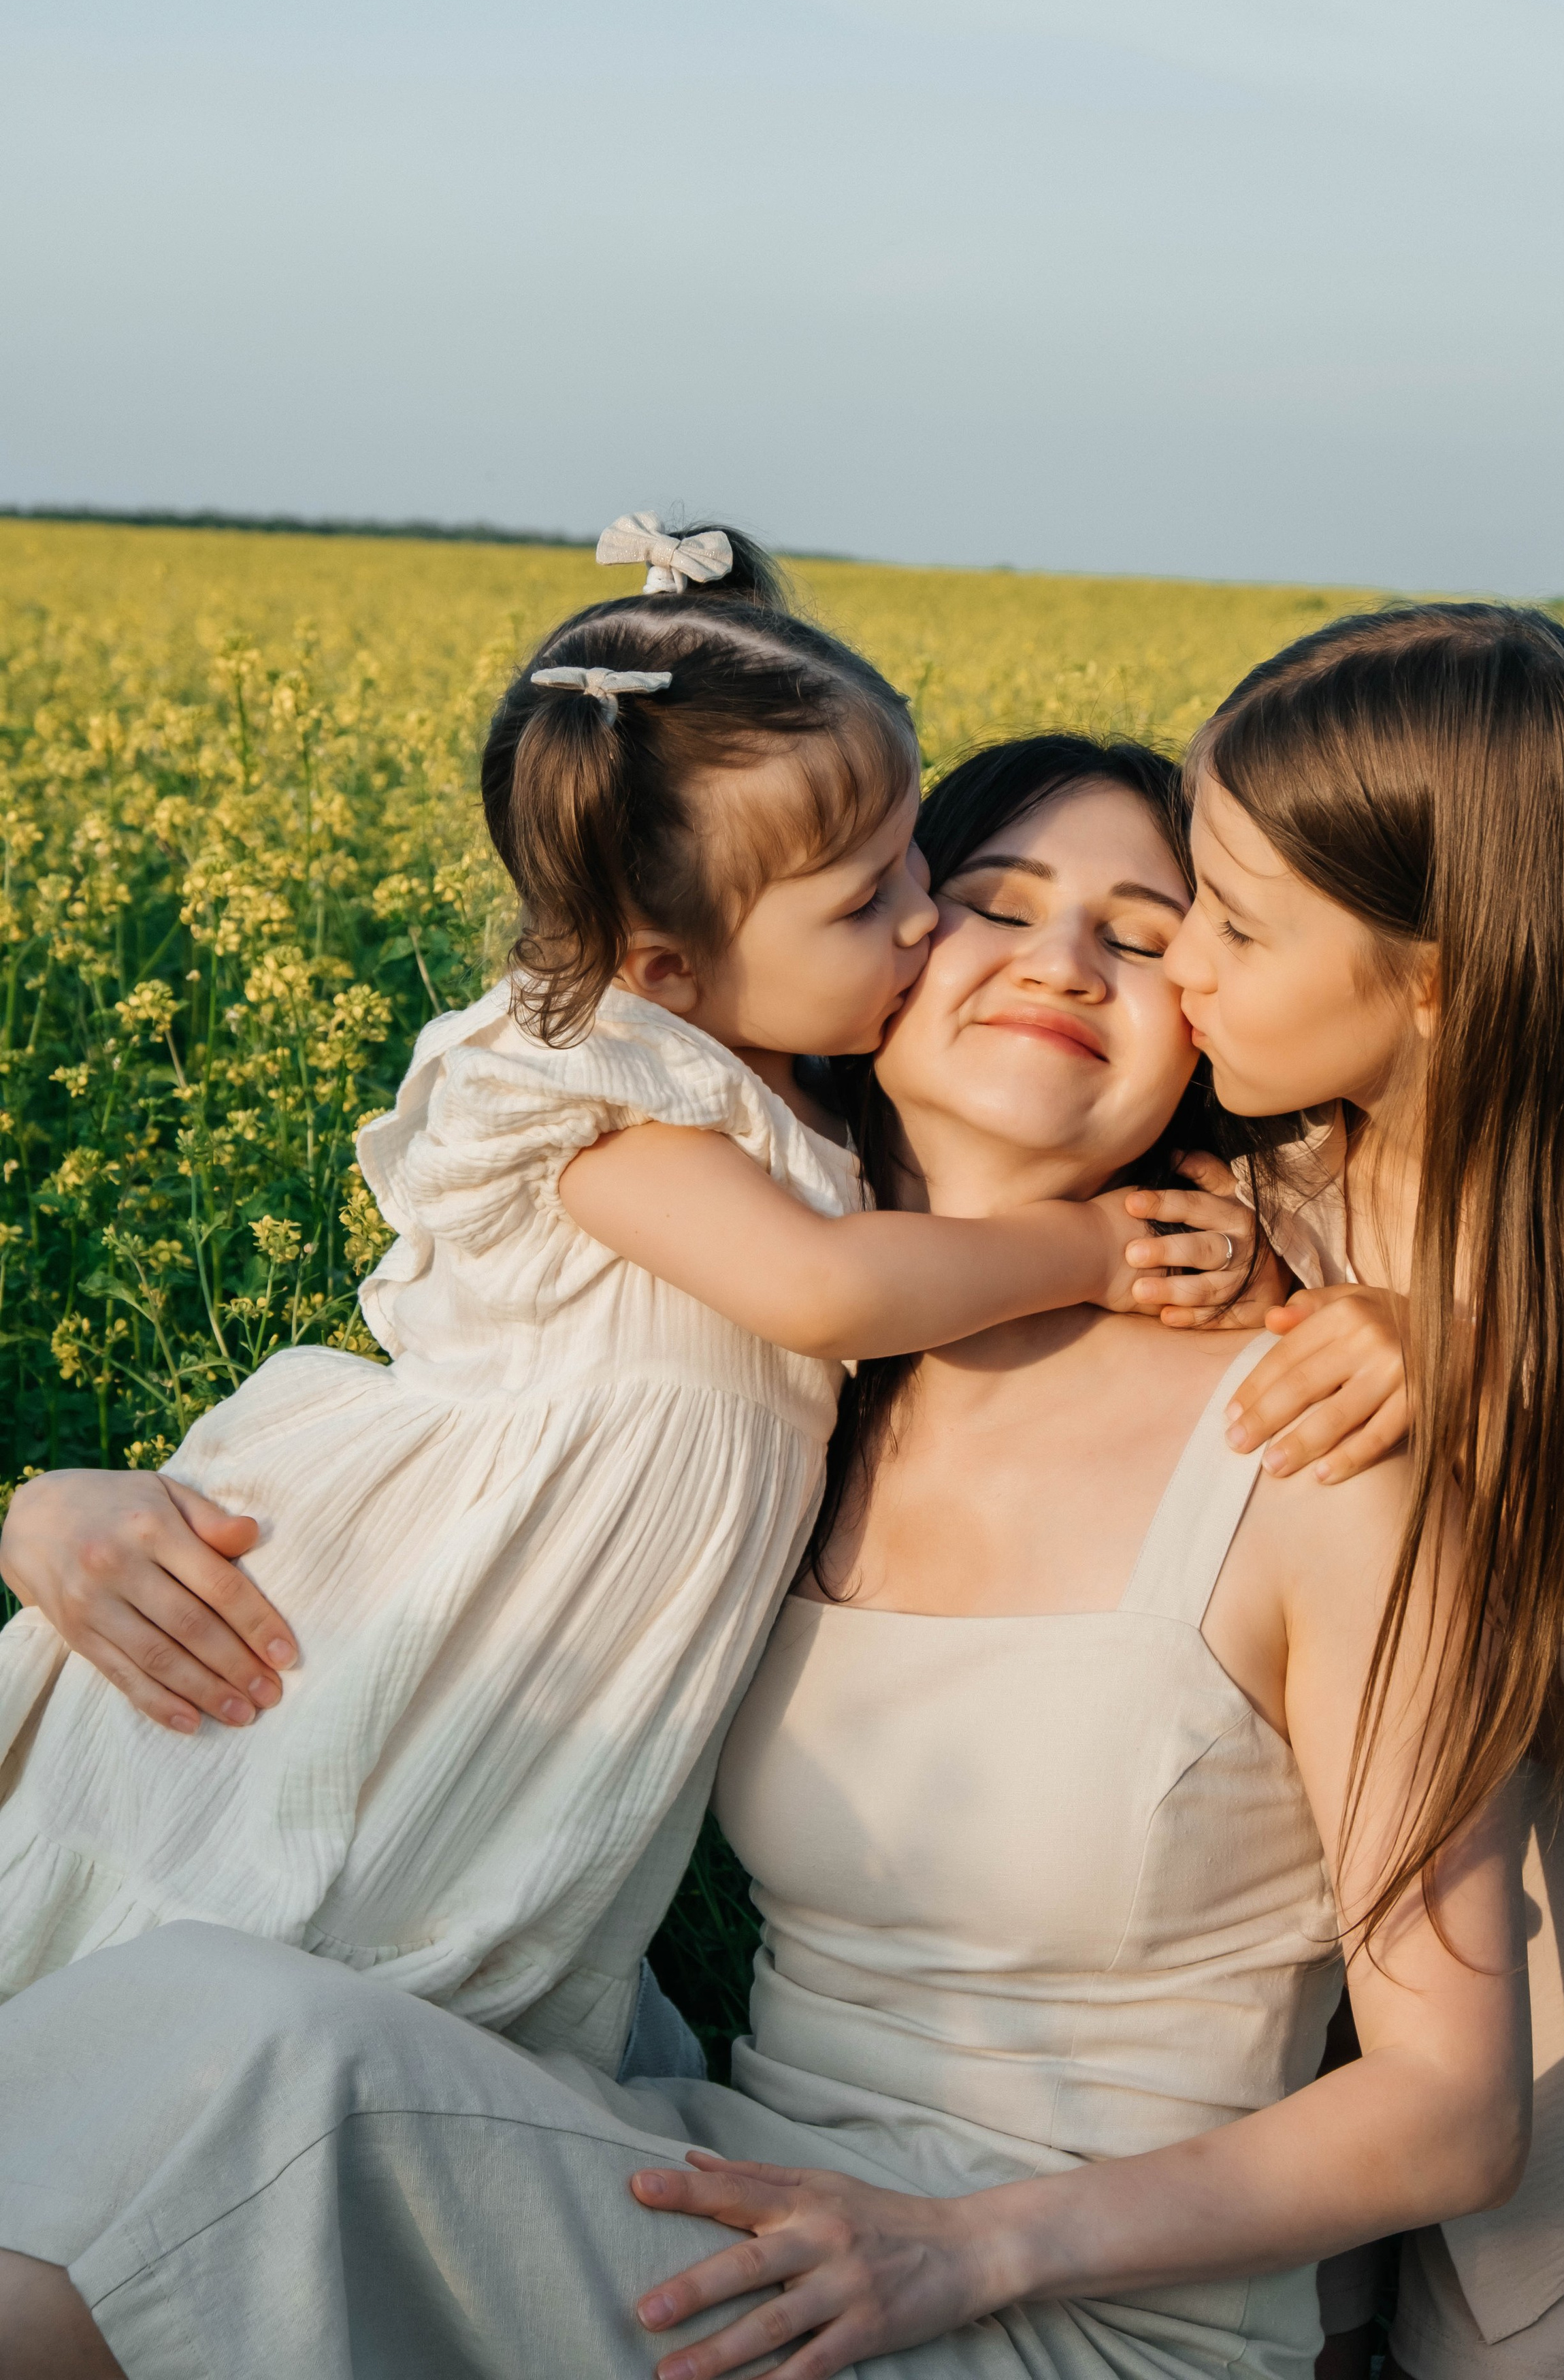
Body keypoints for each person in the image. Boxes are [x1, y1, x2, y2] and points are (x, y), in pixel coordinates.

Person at [0, 735, 1529, 2380]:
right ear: (873, 956)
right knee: (201, 2005)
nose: (1058, 964)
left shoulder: (1308, 1445)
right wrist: (66, 1514)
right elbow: (430, 1484)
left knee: (239, 2063)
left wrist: (978, 2245)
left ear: (1213, 1028)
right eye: (988, 904)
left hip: (1060, 2305)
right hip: (742, 2193)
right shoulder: (772, 1401)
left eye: (1145, 936)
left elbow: (1449, 2114)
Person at [0, 519, 1175, 2061]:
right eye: (866, 898)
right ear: (662, 967)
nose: (920, 917)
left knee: (366, 2018)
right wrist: (1092, 1249)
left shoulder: (806, 1113)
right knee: (223, 1949)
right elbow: (821, 1290)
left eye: (910, 864)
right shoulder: (612, 1094)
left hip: (533, 1705)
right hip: (383, 1643)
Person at [1118, 603, 1564, 2380]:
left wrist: (1487, 1370)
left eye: (1237, 924)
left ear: (1439, 975)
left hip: (1551, 2119)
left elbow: (1561, 1693)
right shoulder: (1276, 1160)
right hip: (1283, 2042)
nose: (1185, 968)